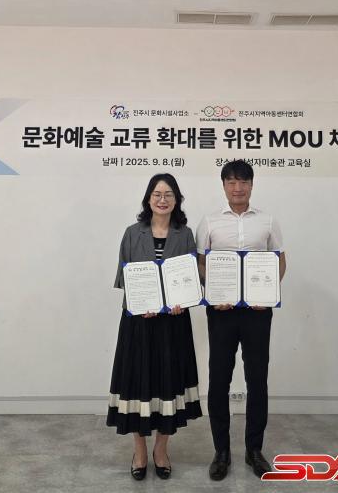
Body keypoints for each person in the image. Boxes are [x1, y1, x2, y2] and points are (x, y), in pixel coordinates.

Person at [107, 173, 202, 481]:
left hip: (173, 324)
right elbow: (124, 278)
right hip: (139, 324)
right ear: (148, 199)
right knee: (137, 386)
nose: (163, 200)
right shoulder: (132, 233)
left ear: (177, 200)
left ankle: (161, 450)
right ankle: (139, 451)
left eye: (169, 195)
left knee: (167, 386)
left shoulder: (185, 234)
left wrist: (182, 301)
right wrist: (141, 302)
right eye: (157, 194)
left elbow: (190, 279)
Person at [196, 160, 286, 480]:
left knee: (257, 379)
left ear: (251, 185)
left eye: (244, 182)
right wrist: (213, 291)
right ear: (223, 185)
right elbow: (201, 263)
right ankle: (221, 451)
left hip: (257, 313)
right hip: (221, 312)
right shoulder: (209, 222)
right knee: (219, 379)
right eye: (232, 182)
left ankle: (254, 450)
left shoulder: (267, 221)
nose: (238, 188)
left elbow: (280, 260)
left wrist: (268, 294)